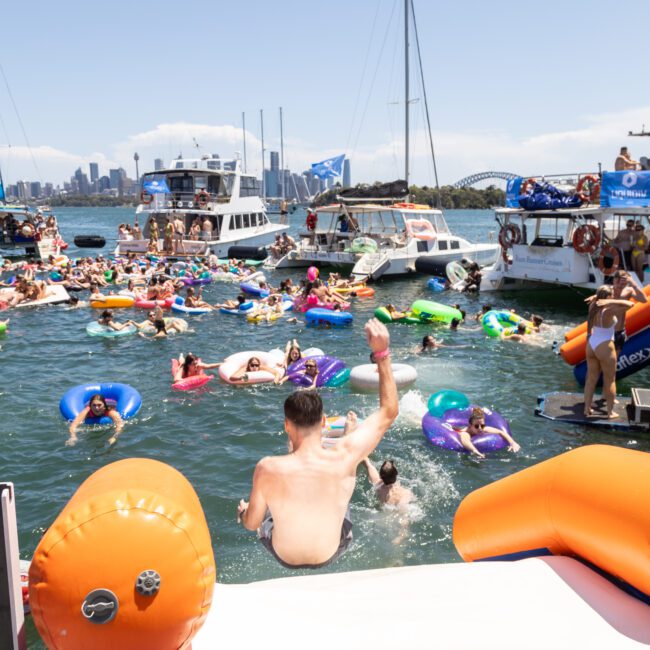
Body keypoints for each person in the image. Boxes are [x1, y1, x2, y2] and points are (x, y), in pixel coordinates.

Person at [237, 319, 397, 569]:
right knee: (343, 483)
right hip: (331, 551)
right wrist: (382, 353)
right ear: (323, 422)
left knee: (264, 507)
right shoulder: (345, 455)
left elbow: (250, 523)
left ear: (286, 425)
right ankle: (317, 452)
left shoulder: (267, 467)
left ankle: (295, 454)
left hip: (284, 555)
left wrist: (243, 513)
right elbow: (389, 411)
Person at [583, 285, 634, 418]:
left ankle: (586, 409)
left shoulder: (593, 305)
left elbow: (597, 302)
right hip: (604, 345)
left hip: (591, 344)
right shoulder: (609, 309)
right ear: (608, 297)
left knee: (591, 379)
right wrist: (612, 301)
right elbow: (630, 304)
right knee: (610, 380)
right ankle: (610, 412)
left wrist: (599, 297)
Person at [610, 270, 648, 353]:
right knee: (607, 360)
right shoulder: (608, 291)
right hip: (608, 331)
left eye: (624, 282)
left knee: (615, 361)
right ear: (615, 280)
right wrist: (616, 286)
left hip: (620, 331)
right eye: (618, 281)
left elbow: (644, 300)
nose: (621, 284)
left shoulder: (628, 290)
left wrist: (634, 285)